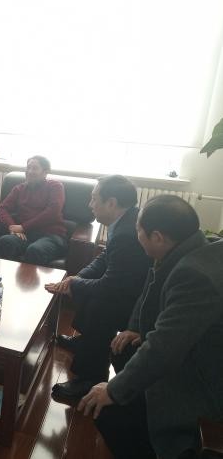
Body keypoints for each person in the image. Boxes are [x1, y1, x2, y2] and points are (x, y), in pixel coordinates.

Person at [78, 195, 223, 459]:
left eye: (139, 232)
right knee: (123, 349)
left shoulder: (194, 275)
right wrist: (136, 328)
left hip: (203, 385)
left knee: (106, 411)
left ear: (157, 237)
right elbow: (151, 294)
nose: (137, 237)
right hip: (191, 355)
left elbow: (164, 349)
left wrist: (112, 389)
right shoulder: (188, 248)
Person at [45, 175, 150, 398]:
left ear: (111, 203)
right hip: (130, 286)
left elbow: (111, 286)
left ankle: (90, 377)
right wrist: (77, 278)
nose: (89, 204)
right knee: (84, 286)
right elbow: (104, 259)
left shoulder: (126, 234)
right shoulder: (125, 220)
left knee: (99, 305)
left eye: (94, 199)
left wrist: (77, 283)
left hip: (143, 301)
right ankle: (86, 342)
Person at [0, 155, 67, 266]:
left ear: (45, 172)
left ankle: (28, 278)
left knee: (35, 250)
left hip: (51, 235)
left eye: (35, 168)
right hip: (25, 235)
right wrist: (12, 226)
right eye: (28, 168)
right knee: (5, 241)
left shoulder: (55, 186)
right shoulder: (19, 189)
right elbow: (2, 209)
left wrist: (23, 227)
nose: (30, 171)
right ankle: (1, 276)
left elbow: (53, 211)